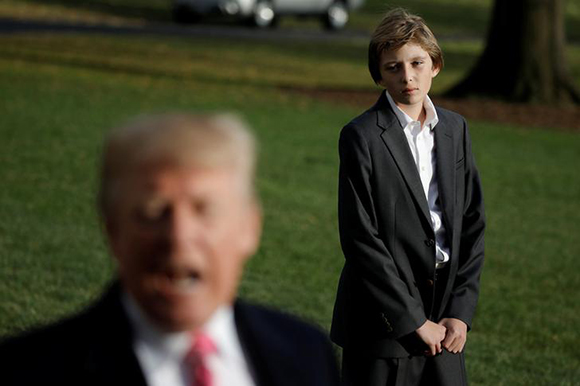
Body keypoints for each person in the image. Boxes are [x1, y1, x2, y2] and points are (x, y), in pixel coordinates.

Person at [0, 113, 340, 386]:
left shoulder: (305, 352)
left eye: (204, 210)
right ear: (113, 230)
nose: (178, 236)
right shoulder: (26, 372)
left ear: (250, 227)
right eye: (153, 212)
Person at [330, 8, 486, 386]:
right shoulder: (361, 136)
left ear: (435, 65)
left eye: (417, 63)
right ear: (379, 74)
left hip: (446, 318)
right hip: (382, 326)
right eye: (393, 67)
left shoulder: (454, 129)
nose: (407, 76)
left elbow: (471, 222)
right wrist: (412, 319)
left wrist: (460, 312)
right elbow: (360, 238)